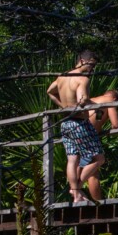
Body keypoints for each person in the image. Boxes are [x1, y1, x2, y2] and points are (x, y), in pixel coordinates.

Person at [46, 51, 105, 203]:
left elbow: (50, 91)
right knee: (99, 158)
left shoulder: (62, 76)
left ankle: (77, 196)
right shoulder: (82, 79)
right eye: (91, 64)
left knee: (72, 159)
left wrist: (63, 106)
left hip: (66, 123)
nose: (92, 68)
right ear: (81, 60)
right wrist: (97, 107)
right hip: (79, 123)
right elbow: (82, 100)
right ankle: (76, 187)